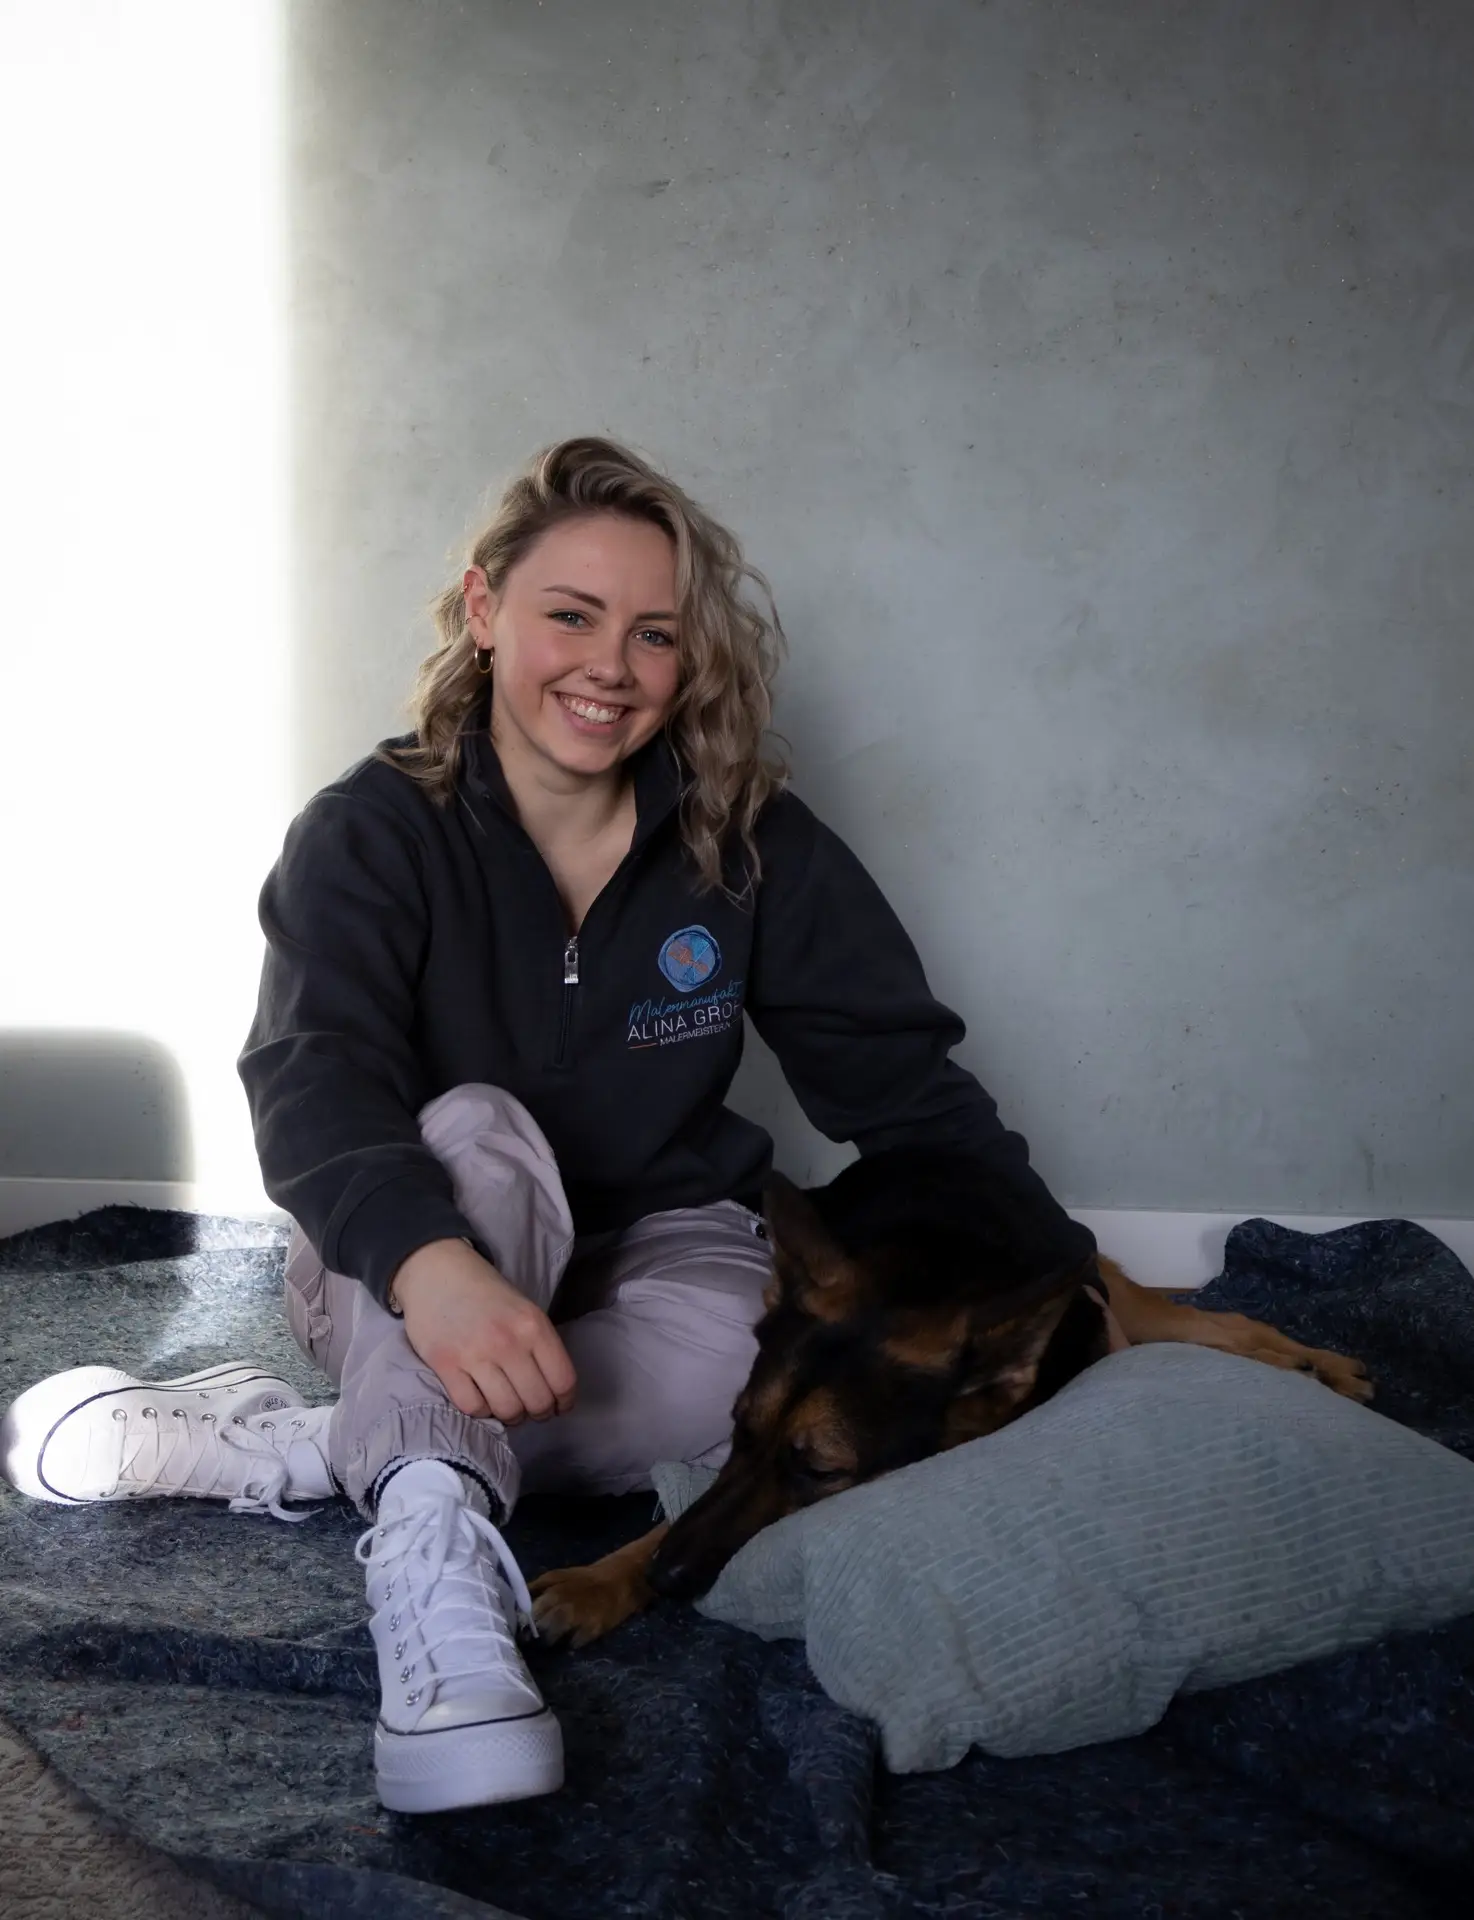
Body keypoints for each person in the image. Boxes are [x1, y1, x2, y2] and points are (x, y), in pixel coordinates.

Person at [0, 437, 1094, 1814]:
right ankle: (439, 1596)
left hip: (660, 1240)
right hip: (414, 1250)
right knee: (476, 1124)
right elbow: (314, 1071)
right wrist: (432, 1266)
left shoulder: (751, 841)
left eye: (655, 634)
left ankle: (322, 1445)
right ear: (484, 610)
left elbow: (905, 1089)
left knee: (747, 1397)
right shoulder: (370, 832)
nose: (609, 667)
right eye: (570, 615)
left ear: (689, 661)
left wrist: (1075, 1287)